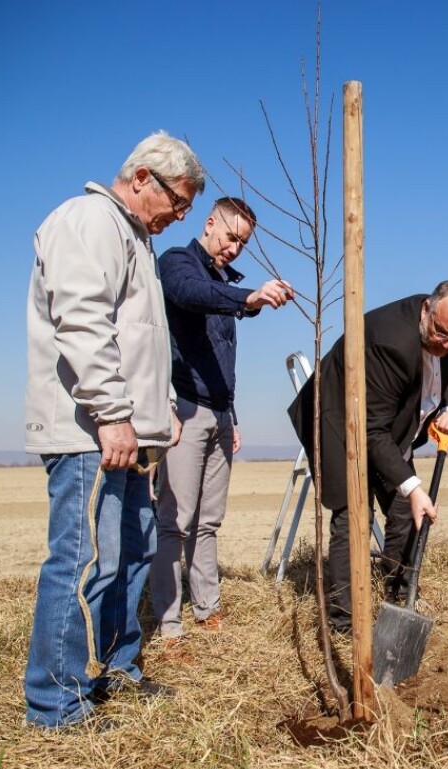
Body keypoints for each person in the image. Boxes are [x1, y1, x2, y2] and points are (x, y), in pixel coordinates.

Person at [23, 131, 204, 729]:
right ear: (143, 177)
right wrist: (115, 415)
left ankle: (117, 666)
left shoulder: (136, 241)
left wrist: (163, 410)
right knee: (79, 560)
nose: (180, 216)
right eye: (179, 201)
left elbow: (144, 342)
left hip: (130, 435)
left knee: (131, 554)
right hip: (90, 435)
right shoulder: (89, 220)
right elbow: (82, 323)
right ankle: (58, 702)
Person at [288, 281, 448, 634]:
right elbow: (370, 430)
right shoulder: (389, 343)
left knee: (405, 511)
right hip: (336, 418)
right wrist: (413, 486)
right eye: (441, 333)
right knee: (353, 515)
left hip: (384, 424)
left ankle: (398, 593)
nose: (446, 344)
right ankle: (345, 622)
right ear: (426, 309)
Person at [149, 198, 294, 643]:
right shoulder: (177, 263)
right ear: (209, 223)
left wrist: (232, 415)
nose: (235, 248)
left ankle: (207, 607)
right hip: (184, 412)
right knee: (176, 519)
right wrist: (247, 298)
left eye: (242, 243)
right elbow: (192, 295)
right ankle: (168, 623)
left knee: (209, 520)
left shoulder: (223, 281)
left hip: (219, 414)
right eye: (231, 237)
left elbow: (221, 360)